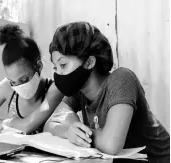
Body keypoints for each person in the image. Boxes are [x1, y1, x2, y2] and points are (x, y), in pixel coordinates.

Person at [43, 21, 170, 162]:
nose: (58, 74)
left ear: (89, 62)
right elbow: (50, 123)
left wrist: (82, 133)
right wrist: (69, 130)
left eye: (63, 65)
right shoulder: (78, 89)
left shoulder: (122, 79)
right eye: (55, 68)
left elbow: (111, 144)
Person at [0, 24, 63, 135]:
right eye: (13, 82)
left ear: (39, 66)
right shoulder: (6, 87)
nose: (19, 86)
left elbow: (28, 125)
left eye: (24, 80)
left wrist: (5, 123)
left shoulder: (54, 89)